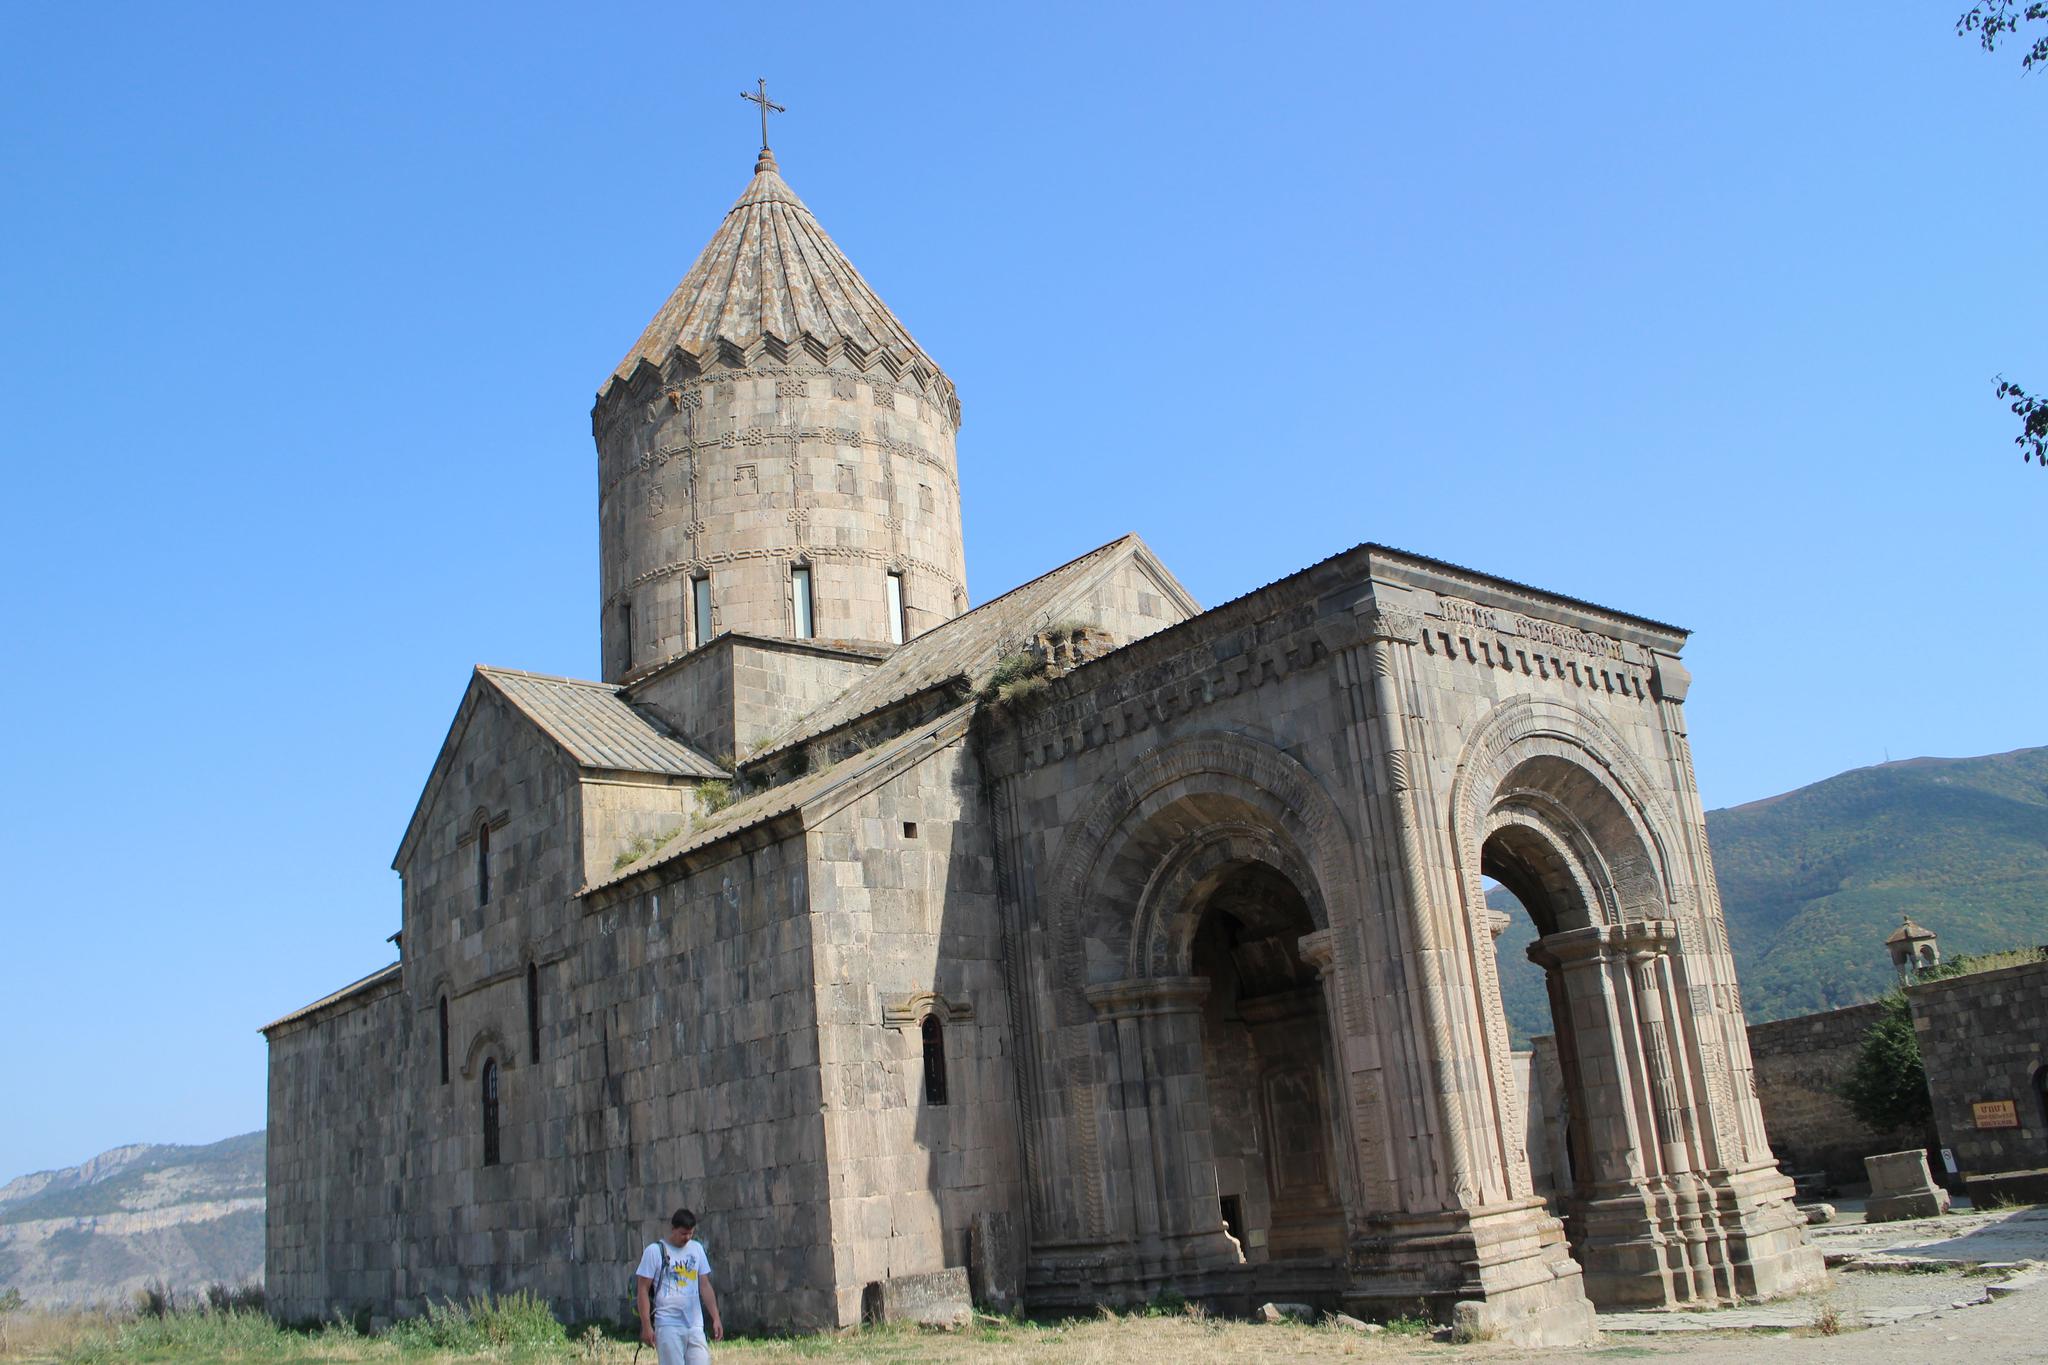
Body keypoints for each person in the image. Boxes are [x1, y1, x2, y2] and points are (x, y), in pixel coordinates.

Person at [635, 1207, 722, 1364]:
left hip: (694, 1324)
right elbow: (642, 1290)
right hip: (668, 1324)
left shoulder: (697, 1249)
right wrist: (646, 1325)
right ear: (673, 1229)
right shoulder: (654, 1251)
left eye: (691, 1233)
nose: (687, 1237)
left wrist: (715, 1317)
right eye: (683, 1233)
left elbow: (705, 1285)